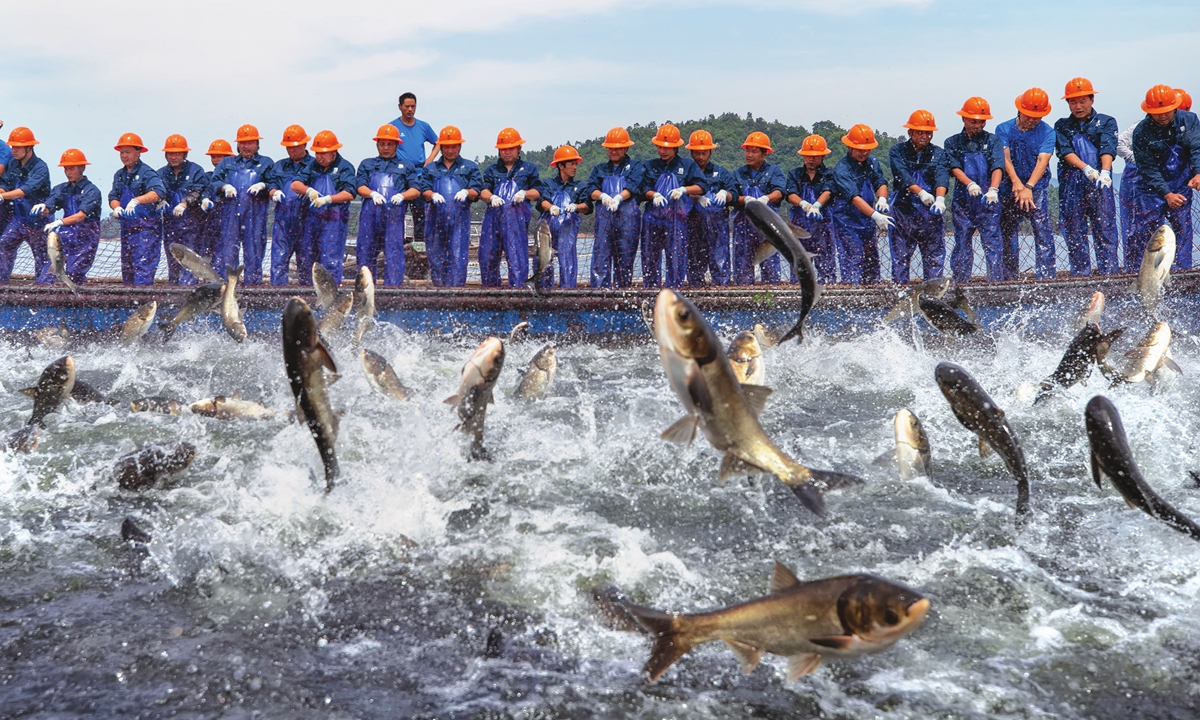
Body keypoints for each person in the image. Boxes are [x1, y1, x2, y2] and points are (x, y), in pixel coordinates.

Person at [1131, 83, 1200, 271]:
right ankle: (1144, 276)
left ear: (1175, 107)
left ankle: (1182, 272)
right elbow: (1147, 168)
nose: (1162, 116)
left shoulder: (1190, 120)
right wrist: (1166, 193)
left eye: (1167, 111)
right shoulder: (1141, 132)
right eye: (1157, 112)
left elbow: (1196, 148)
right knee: (1147, 234)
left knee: (1183, 231)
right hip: (1151, 189)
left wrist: (1199, 173)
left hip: (1180, 183)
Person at [1055, 78, 1119, 276]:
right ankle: (1081, 275)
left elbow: (1108, 146)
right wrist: (1085, 169)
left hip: (1100, 182)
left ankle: (1109, 274)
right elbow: (1065, 151)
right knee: (1074, 231)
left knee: (1105, 229)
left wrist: (1105, 172)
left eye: (1082, 101)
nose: (1078, 106)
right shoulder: (1062, 125)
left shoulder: (1106, 121)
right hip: (1072, 183)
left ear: (1091, 100)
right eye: (1073, 102)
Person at [997, 88, 1057, 279]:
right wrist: (1017, 183)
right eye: (1029, 115)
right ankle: (1009, 277)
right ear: (1019, 110)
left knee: (1042, 231)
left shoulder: (1047, 132)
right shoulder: (1003, 129)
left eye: (1037, 117)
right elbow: (1005, 158)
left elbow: (1043, 160)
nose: (1032, 120)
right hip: (1009, 187)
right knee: (1007, 233)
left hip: (1036, 188)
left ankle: (1046, 278)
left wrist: (1029, 187)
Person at [944, 97, 1005, 282]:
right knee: (962, 243)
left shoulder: (993, 141)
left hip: (988, 201)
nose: (977, 124)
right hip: (963, 202)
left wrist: (993, 189)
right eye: (973, 120)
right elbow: (954, 168)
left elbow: (997, 167)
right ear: (963, 119)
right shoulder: (952, 142)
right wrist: (969, 183)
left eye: (981, 121)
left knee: (993, 244)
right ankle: (961, 283)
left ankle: (996, 284)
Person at [887, 110, 949, 283]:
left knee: (934, 259)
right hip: (903, 213)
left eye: (928, 132)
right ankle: (901, 296)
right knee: (900, 259)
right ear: (910, 132)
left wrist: (940, 199)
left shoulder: (939, 153)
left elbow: (942, 176)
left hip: (930, 215)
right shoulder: (897, 151)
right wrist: (920, 192)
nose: (924, 136)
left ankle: (934, 296)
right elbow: (902, 175)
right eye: (920, 132)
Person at [356, 124, 422, 286]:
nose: (385, 148)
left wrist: (402, 195)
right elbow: (359, 187)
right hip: (369, 221)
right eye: (382, 144)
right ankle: (365, 292)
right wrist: (372, 194)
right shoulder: (367, 164)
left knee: (393, 256)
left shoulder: (406, 166)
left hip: (393, 221)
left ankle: (393, 292)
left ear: (396, 144)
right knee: (365, 256)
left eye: (389, 144)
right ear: (377, 144)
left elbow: (416, 190)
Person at [208, 124, 274, 282]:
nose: (247, 146)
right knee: (228, 256)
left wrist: (264, 185)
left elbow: (274, 183)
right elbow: (214, 182)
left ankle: (253, 291)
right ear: (238, 145)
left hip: (255, 217)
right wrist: (224, 186)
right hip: (230, 217)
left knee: (254, 255)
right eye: (243, 143)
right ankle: (228, 290)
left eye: (250, 143)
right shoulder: (227, 163)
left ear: (257, 144)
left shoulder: (266, 163)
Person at [641, 124, 704, 287]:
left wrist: (684, 189)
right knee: (650, 258)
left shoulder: (688, 165)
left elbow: (702, 186)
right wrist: (653, 194)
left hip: (677, 222)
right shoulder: (650, 166)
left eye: (666, 148)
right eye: (660, 147)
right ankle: (650, 290)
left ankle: (675, 290)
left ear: (676, 147)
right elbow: (642, 188)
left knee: (676, 257)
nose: (662, 151)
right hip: (652, 221)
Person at [289, 130, 357, 285]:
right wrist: (308, 190)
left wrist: (328, 199)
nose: (319, 157)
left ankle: (331, 299)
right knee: (307, 259)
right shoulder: (312, 165)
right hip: (312, 221)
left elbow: (349, 193)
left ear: (334, 152)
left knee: (330, 260)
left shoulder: (345, 167)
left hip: (334, 221)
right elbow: (295, 184)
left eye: (323, 153)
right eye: (317, 153)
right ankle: (307, 295)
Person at [479, 127, 542, 287]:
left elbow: (537, 192)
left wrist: (524, 194)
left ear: (519, 148)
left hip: (517, 224)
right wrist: (491, 197)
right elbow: (483, 191)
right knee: (488, 257)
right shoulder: (491, 170)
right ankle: (490, 295)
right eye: (503, 149)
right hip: (493, 222)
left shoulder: (529, 168)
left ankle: (519, 296)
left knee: (517, 259)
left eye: (510, 148)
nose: (506, 152)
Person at [419, 126, 481, 287]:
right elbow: (424, 191)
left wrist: (467, 192)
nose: (450, 150)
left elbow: (476, 192)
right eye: (447, 146)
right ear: (441, 147)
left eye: (453, 146)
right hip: (434, 222)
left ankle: (456, 294)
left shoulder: (470, 167)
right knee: (435, 257)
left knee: (458, 257)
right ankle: (439, 293)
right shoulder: (430, 168)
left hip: (459, 222)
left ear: (459, 146)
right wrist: (432, 195)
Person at [831, 123, 892, 284]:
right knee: (854, 255)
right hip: (847, 221)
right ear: (850, 147)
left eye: (867, 149)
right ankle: (852, 292)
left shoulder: (872, 162)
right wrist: (876, 215)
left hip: (866, 220)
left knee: (871, 259)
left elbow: (880, 182)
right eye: (859, 149)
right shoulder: (842, 169)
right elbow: (854, 198)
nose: (863, 153)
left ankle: (872, 291)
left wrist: (882, 198)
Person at [32, 149, 102, 285]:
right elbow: (50, 205)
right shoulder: (61, 189)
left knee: (74, 272)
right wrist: (43, 208)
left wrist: (59, 222)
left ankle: (77, 300)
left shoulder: (92, 191)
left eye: (71, 168)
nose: (68, 172)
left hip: (86, 239)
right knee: (48, 274)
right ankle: (43, 301)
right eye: (65, 169)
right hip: (66, 236)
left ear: (82, 168)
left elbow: (81, 215)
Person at [586, 127, 644, 287]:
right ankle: (598, 295)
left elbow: (634, 185)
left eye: (618, 148)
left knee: (625, 259)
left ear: (626, 148)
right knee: (600, 257)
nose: (614, 151)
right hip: (604, 221)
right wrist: (603, 196)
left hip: (628, 221)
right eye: (611, 148)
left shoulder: (635, 166)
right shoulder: (599, 169)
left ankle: (622, 293)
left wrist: (619, 198)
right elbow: (590, 189)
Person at [107, 133, 166, 286]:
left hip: (146, 230)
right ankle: (130, 306)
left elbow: (159, 192)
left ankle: (142, 304)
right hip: (127, 229)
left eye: (128, 152)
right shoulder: (119, 175)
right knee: (128, 271)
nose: (124, 156)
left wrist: (136, 201)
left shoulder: (147, 173)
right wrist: (116, 206)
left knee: (143, 271)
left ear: (138, 153)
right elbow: (113, 196)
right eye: (122, 152)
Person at [731, 132, 787, 285]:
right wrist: (745, 199)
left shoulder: (775, 171)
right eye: (747, 151)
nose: (749, 155)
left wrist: (765, 198)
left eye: (754, 151)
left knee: (769, 262)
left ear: (764, 154)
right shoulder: (737, 173)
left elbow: (780, 192)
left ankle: (771, 294)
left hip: (767, 227)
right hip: (743, 228)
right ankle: (743, 294)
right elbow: (732, 196)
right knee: (742, 264)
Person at [389, 92, 440, 249]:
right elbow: (386, 146)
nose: (410, 109)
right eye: (407, 106)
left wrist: (430, 159)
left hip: (418, 174)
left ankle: (420, 246)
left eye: (413, 106)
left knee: (420, 212)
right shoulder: (392, 126)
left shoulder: (423, 126)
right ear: (400, 107)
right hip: (400, 174)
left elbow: (438, 142)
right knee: (398, 212)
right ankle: (396, 246)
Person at [0, 127, 51, 283]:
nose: (13, 150)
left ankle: (44, 292)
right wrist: (1, 190)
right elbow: (6, 183)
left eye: (18, 147)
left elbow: (24, 191)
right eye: (13, 146)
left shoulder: (40, 168)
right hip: (18, 220)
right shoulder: (14, 164)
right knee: (4, 246)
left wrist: (2, 196)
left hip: (38, 222)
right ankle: (1, 285)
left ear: (29, 147)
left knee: (42, 258)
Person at [685, 129, 736, 286]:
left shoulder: (721, 173)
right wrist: (695, 198)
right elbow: (677, 194)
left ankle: (722, 295)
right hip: (692, 228)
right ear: (692, 152)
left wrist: (724, 193)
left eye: (704, 153)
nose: (700, 157)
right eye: (697, 153)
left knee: (720, 264)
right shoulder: (686, 173)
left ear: (710, 152)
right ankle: (694, 296)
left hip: (718, 230)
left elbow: (734, 194)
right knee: (694, 265)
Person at [785, 134, 837, 284]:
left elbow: (828, 192)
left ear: (822, 156)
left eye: (815, 156)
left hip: (823, 230)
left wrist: (817, 206)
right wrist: (805, 205)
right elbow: (791, 195)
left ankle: (827, 297)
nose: (811, 159)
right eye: (807, 156)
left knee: (826, 269)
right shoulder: (795, 174)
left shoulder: (829, 174)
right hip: (799, 228)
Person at [538, 145, 591, 288]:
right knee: (543, 263)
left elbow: (587, 206)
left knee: (567, 263)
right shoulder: (548, 183)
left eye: (576, 164)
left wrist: (576, 207)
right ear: (561, 166)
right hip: (547, 231)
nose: (575, 167)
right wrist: (551, 207)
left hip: (567, 232)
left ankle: (567, 293)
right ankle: (543, 294)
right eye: (572, 164)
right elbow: (542, 201)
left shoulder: (580, 186)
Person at [158, 134, 208, 284]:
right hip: (170, 225)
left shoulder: (196, 170)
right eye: (171, 153)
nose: (174, 157)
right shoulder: (160, 173)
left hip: (192, 226)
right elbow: (156, 190)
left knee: (190, 261)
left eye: (178, 153)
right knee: (173, 260)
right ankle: (173, 290)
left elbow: (198, 191)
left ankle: (189, 290)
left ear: (185, 154)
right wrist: (160, 199)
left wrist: (185, 203)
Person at [267, 125, 314, 286]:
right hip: (283, 222)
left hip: (308, 222)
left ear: (304, 145)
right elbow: (271, 183)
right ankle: (276, 298)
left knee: (308, 262)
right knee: (278, 261)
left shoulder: (315, 165)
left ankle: (310, 299)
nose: (291, 151)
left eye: (295, 147)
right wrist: (273, 191)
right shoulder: (279, 166)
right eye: (288, 148)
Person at [196, 139, 234, 270]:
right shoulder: (208, 176)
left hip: (229, 223)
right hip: (210, 225)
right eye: (213, 156)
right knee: (207, 257)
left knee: (227, 256)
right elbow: (203, 190)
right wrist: (204, 199)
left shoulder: (233, 177)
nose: (216, 159)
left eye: (220, 156)